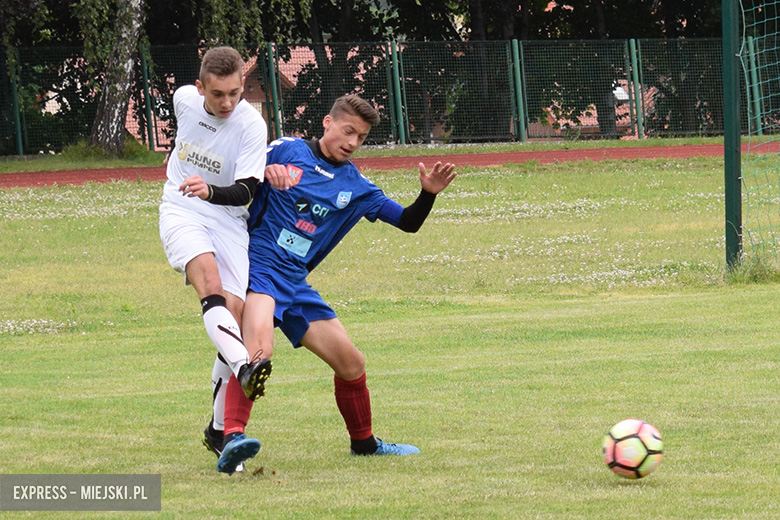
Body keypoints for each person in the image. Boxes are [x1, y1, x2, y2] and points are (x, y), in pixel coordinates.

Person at [215, 94, 457, 474]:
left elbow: (408, 222)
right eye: (348, 131)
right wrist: (264, 173)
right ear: (327, 123)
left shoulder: (355, 185)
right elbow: (236, 176)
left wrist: (427, 194)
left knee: (351, 363)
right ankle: (231, 440)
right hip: (259, 271)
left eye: (360, 137)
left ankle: (364, 444)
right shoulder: (286, 150)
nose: (352, 142)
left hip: (295, 284)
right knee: (258, 352)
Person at [158, 46, 272, 473]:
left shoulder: (249, 125)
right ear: (200, 87)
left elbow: (246, 191)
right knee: (208, 283)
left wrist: (210, 189)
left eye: (235, 93)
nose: (227, 103)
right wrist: (197, 190)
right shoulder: (183, 100)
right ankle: (246, 367)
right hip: (182, 206)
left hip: (228, 217)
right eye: (218, 94)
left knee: (235, 314)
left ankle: (217, 431)